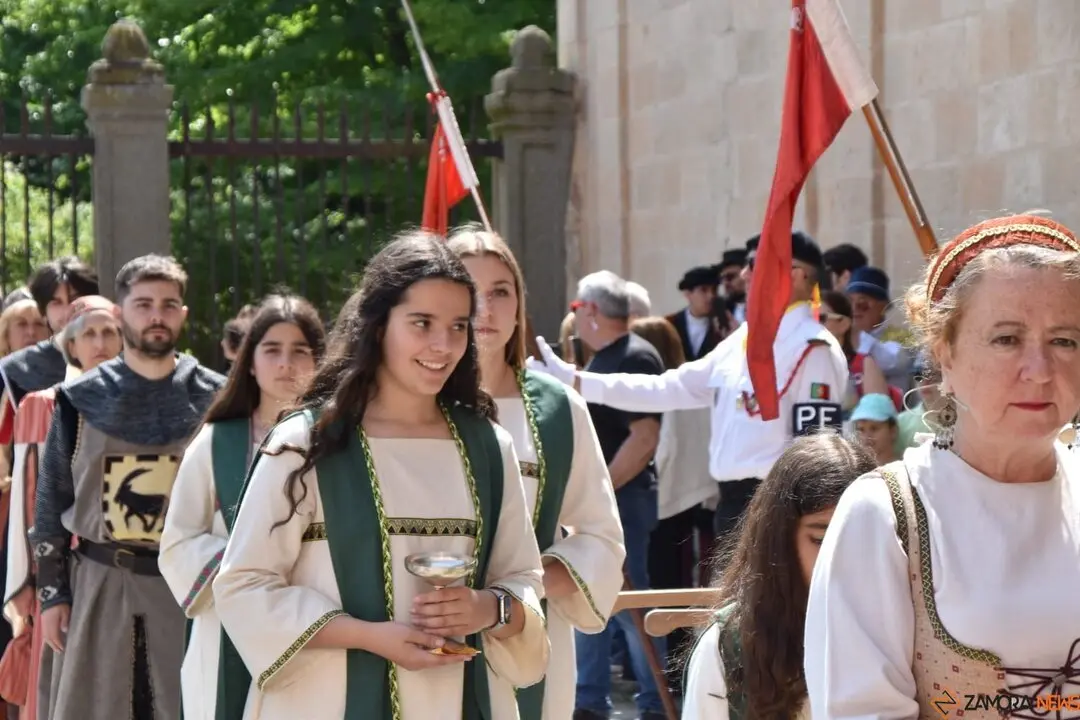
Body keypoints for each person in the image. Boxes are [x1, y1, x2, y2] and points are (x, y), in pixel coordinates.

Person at [212, 232, 548, 720]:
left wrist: (486, 609)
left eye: (458, 326)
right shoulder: (304, 444)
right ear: (377, 326)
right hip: (322, 701)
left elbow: (522, 579)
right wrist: (368, 636)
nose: (443, 344)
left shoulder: (489, 447)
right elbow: (242, 586)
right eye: (422, 323)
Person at [805, 214, 1080, 716]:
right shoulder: (885, 516)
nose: (1040, 371)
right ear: (944, 354)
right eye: (1006, 339)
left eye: (1065, 340)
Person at [529, 232, 848, 548]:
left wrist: (805, 525)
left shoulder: (812, 347)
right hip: (733, 506)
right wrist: (576, 382)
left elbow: (816, 450)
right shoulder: (743, 340)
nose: (745, 274)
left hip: (781, 507)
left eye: (756, 264)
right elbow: (666, 388)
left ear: (797, 274)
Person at [30, 255, 225, 720]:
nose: (156, 315)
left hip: (190, 589)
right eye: (143, 304)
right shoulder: (81, 398)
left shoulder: (217, 396)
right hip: (100, 582)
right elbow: (51, 498)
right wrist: (53, 594)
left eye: (168, 304)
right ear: (121, 313)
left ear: (183, 314)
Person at [448, 226, 625, 720]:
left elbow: (600, 537)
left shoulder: (557, 409)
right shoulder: (406, 407)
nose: (485, 308)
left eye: (500, 292)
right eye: (468, 289)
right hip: (427, 626)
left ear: (520, 304)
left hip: (527, 633)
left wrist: (514, 591)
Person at [159, 294, 326, 720]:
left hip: (315, 618)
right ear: (249, 362)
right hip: (228, 624)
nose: (286, 364)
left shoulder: (338, 441)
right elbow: (178, 542)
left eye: (300, 351)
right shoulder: (217, 442)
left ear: (320, 360)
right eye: (272, 350)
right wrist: (247, 566)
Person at [682, 432, 875, 719]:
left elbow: (953, 703)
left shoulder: (906, 625)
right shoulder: (729, 647)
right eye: (820, 540)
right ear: (781, 541)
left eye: (858, 537)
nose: (839, 559)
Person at [2, 295, 122, 720]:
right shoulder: (44, 405)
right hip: (62, 568)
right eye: (88, 333)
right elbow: (29, 502)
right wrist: (30, 581)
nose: (100, 342)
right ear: (71, 345)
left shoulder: (142, 403)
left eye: (109, 332)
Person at [819, 291, 893, 419]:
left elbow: (878, 422)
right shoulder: (799, 366)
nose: (812, 324)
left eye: (821, 318)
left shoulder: (864, 366)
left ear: (843, 324)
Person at [846, 266, 915, 392]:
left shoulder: (903, 337)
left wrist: (856, 335)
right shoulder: (842, 336)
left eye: (863, 302)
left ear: (883, 306)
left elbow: (892, 362)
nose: (854, 308)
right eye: (849, 302)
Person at [667, 266, 723, 362]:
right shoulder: (670, 324)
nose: (711, 296)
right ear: (688, 294)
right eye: (704, 290)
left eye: (714, 290)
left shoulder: (722, 325)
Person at [848, 393, 900, 465]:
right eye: (861, 430)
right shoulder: (852, 472)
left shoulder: (909, 471)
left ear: (893, 431)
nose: (867, 437)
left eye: (874, 428)